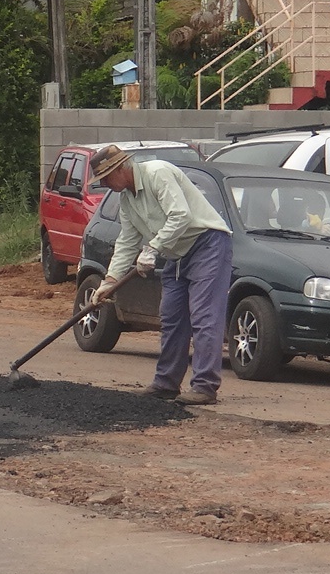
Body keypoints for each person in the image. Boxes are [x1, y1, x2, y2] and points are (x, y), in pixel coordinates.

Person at [90, 144, 234, 405]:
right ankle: (166, 384)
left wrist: (153, 247)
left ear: (122, 168)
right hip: (176, 253)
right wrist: (109, 281)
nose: (106, 184)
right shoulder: (127, 200)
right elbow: (127, 241)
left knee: (204, 317)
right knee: (171, 318)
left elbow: (180, 215)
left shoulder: (158, 174)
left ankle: (204, 386)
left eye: (107, 177)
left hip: (207, 243)